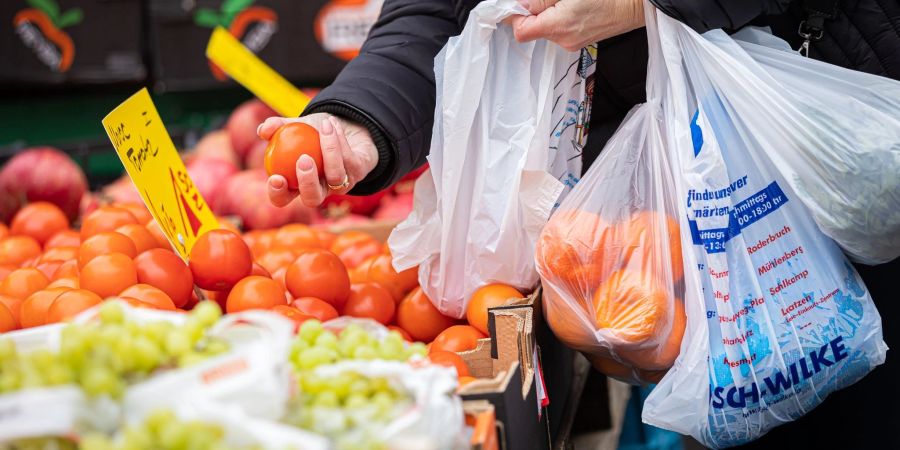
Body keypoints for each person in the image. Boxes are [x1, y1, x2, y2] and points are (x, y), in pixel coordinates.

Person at [258, 0, 900, 447]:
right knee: (739, 398)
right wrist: (356, 122)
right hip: (668, 202)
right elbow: (440, 10)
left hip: (832, 136)